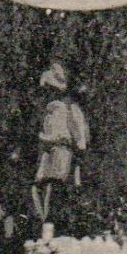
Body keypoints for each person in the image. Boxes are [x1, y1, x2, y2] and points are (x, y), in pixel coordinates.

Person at [32, 61, 89, 230]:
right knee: (39, 188)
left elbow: (80, 140)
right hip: (48, 153)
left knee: (55, 186)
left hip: (63, 152)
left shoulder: (71, 110)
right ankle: (44, 222)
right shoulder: (48, 113)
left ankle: (54, 224)